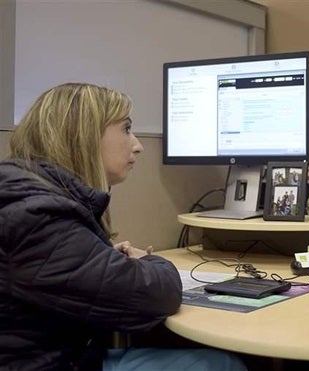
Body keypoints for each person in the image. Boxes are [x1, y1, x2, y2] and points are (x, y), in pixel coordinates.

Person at [0, 83, 247, 370]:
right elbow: (157, 295)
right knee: (219, 365)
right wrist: (151, 261)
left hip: (54, 354)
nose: (137, 145)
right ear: (85, 136)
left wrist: (97, 255)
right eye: (126, 129)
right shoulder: (39, 218)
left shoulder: (28, 199)